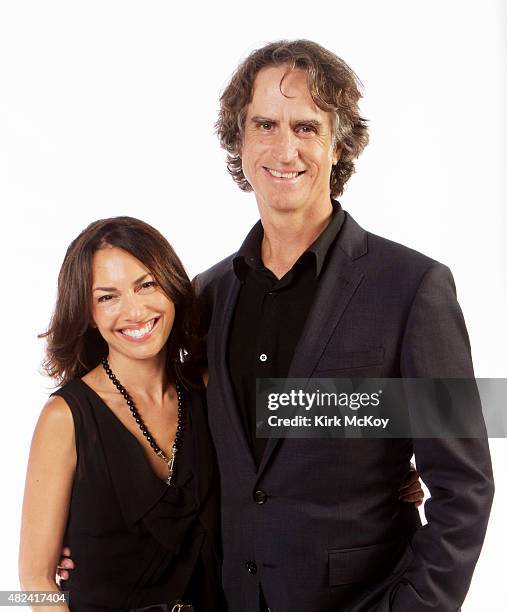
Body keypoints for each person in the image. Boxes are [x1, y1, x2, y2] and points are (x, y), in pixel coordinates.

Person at [192, 40, 495, 611]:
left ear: (338, 144)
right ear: (240, 139)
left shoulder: (413, 288)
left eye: (307, 127)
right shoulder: (207, 297)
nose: (285, 148)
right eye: (265, 124)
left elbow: (465, 489)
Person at [19, 217, 222, 611]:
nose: (135, 310)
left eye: (146, 285)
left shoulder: (207, 389)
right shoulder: (66, 418)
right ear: (87, 313)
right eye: (107, 297)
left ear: (172, 287)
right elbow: (34, 580)